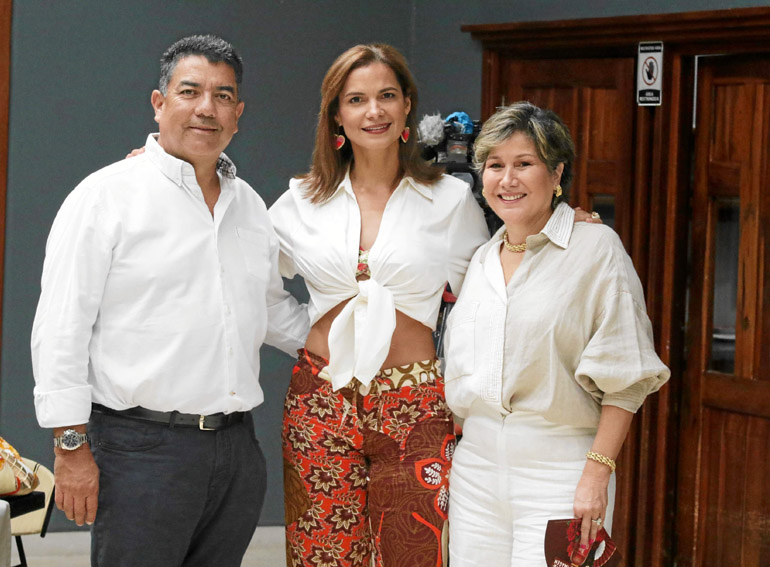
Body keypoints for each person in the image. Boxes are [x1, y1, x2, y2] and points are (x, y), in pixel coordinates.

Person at [31, 34, 308, 567]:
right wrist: (70, 447)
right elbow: (61, 327)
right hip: (140, 451)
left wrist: (353, 345)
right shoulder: (106, 196)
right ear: (159, 103)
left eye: (223, 96)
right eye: (190, 91)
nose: (207, 108)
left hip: (236, 449)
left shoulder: (249, 205)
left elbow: (270, 309)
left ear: (238, 114)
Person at [266, 43, 487, 567]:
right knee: (321, 555)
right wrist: (310, 335)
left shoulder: (450, 200)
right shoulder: (301, 201)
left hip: (415, 402)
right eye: (356, 99)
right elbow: (250, 285)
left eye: (387, 96)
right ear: (336, 115)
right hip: (320, 400)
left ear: (407, 105)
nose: (374, 111)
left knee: (415, 553)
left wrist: (567, 218)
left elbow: (485, 302)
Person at [443, 101, 670, 567]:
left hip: (559, 472)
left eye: (524, 164)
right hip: (475, 472)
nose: (507, 179)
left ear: (557, 172)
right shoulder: (482, 259)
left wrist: (596, 475)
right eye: (495, 165)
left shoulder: (596, 248)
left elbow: (626, 379)